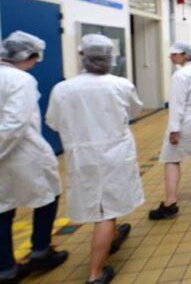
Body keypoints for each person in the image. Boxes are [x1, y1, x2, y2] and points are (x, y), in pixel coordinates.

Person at [46, 34, 145, 284]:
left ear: (82, 56)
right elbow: (135, 111)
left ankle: (112, 237)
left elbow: (53, 122)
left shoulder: (63, 89)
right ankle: (95, 274)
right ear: (110, 58)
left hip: (82, 156)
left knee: (101, 204)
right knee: (106, 210)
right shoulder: (120, 85)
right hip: (115, 153)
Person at [0, 31, 68, 284]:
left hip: (9, 156)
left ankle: (5, 268)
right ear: (28, 55)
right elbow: (14, 123)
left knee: (3, 208)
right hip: (23, 152)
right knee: (48, 195)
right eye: (35, 58)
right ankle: (40, 251)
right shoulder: (21, 79)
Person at [149, 41, 191, 220]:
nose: (170, 57)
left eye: (174, 54)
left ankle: (170, 203)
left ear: (185, 55)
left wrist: (174, 129)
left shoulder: (180, 75)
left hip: (188, 120)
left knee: (171, 158)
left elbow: (177, 105)